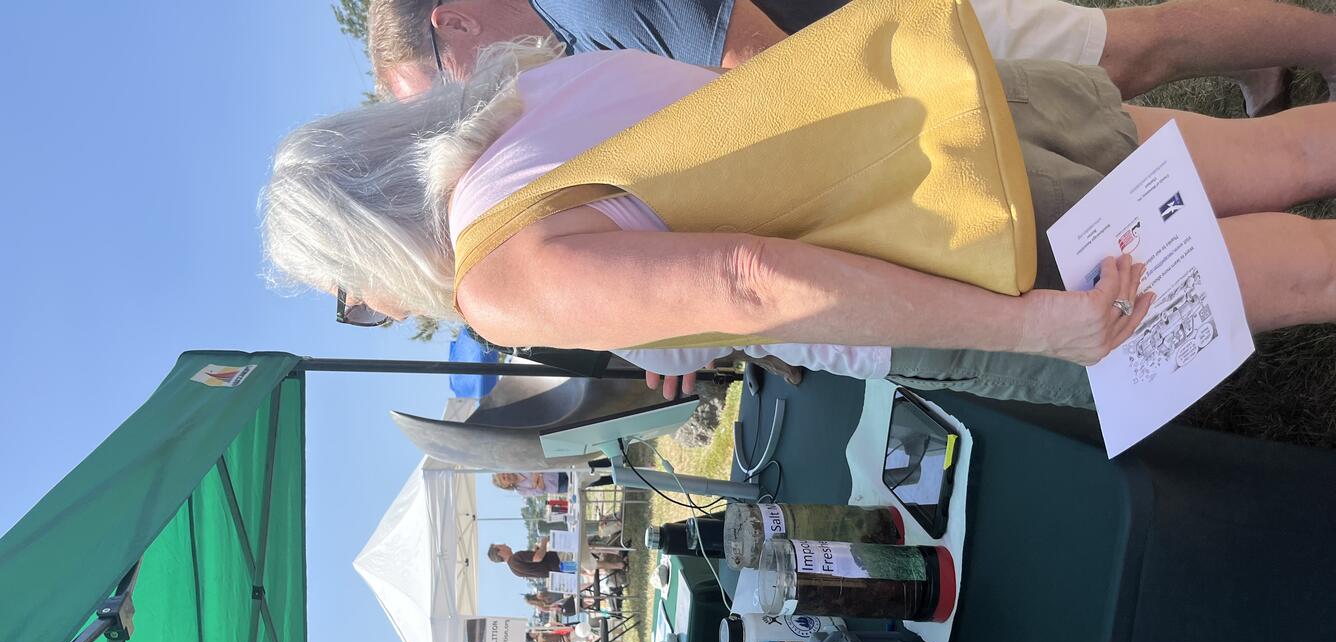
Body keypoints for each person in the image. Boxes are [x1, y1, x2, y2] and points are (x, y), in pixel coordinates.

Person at [263, 36, 1336, 408]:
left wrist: (1033, 327)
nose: (373, 306)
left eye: (347, 293)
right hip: (933, 106)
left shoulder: (494, 277)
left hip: (947, 242)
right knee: (1281, 155)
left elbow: (747, 282)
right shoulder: (529, 95)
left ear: (362, 242)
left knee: (1306, 273)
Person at [369, 0, 1336, 121]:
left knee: (1127, 53)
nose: (468, 97)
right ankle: (1262, 70)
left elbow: (759, 62)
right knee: (1107, 76)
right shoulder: (567, 34)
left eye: (444, 83)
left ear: (452, 20)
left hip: (892, 36)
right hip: (881, 46)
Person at [489, 539, 562, 579]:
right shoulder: (516, 557)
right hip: (559, 560)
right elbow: (539, 557)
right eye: (501, 546)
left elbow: (536, 568)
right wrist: (544, 541)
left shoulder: (514, 571)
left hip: (559, 571)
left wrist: (537, 551)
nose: (504, 544)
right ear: (499, 553)